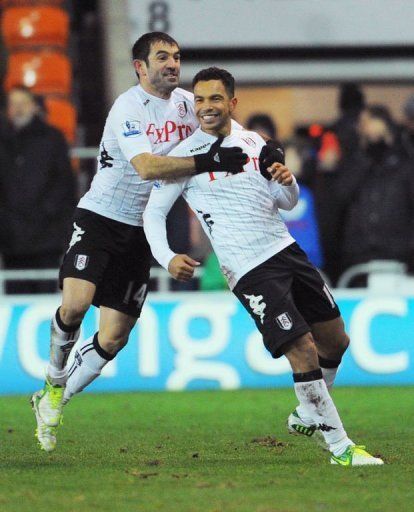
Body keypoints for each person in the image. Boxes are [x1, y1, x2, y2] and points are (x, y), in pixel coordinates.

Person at [143, 67, 383, 466]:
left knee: (336, 341)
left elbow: (285, 203)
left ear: (232, 102)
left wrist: (287, 181)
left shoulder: (255, 143)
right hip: (248, 267)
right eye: (199, 99)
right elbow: (153, 214)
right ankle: (341, 448)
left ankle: (308, 412)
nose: (206, 107)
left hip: (285, 250)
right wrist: (166, 257)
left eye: (215, 99)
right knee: (302, 349)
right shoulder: (184, 157)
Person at [30, 32, 251, 452]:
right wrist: (206, 160)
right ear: (140, 67)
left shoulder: (188, 103)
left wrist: (267, 149)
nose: (172, 63)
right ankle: (53, 379)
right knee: (75, 305)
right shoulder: (128, 107)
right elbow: (148, 167)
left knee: (113, 338)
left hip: (141, 231)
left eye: (177, 56)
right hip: (100, 218)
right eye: (162, 57)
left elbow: (230, 132)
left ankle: (56, 397)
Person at [0, 86, 76, 294]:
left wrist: (46, 212)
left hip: (46, 237)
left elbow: (65, 183)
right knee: (15, 295)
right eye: (12, 104)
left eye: (22, 103)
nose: (17, 109)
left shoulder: (53, 138)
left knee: (46, 296)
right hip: (11, 238)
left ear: (34, 106)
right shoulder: (3, 140)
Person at [338, 105, 414, 280]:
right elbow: (341, 195)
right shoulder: (355, 161)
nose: (365, 127)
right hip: (359, 255)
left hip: (399, 254)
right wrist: (365, 152)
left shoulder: (404, 161)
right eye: (362, 124)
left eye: (369, 122)